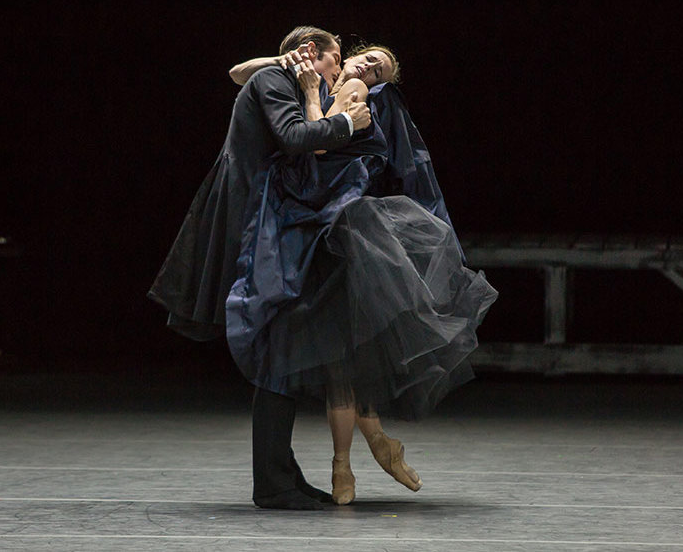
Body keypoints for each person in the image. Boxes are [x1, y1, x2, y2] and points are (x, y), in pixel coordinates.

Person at [226, 45, 498, 505]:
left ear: (380, 83)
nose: (371, 66)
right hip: (330, 220)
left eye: (381, 69)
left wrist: (315, 90)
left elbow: (315, 139)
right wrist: (292, 64)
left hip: (333, 223)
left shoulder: (351, 89)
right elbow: (239, 72)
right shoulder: (333, 80)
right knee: (342, 354)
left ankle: (345, 463)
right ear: (348, 53)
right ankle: (365, 453)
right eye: (369, 56)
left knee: (338, 353)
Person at [148, 26, 371, 511]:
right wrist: (347, 125)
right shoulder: (274, 81)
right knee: (276, 346)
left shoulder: (285, 79)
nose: (335, 79)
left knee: (283, 344)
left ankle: (282, 475)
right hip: (255, 223)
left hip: (272, 220)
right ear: (314, 54)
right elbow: (293, 138)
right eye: (335, 63)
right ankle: (272, 483)